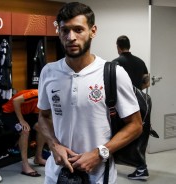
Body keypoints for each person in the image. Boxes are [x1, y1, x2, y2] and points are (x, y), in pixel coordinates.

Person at [37, 2, 143, 184]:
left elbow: (135, 125)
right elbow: (43, 117)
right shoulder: (49, 71)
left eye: (78, 30)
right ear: (59, 32)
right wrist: (54, 145)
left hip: (99, 176)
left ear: (93, 31)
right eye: (65, 30)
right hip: (55, 175)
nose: (71, 37)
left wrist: (99, 153)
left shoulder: (113, 73)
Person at [112, 35, 150, 180]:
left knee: (120, 133)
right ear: (129, 45)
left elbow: (111, 85)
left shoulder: (115, 63)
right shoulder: (140, 61)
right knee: (140, 136)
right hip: (140, 102)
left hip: (122, 105)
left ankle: (140, 167)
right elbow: (146, 83)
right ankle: (140, 167)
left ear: (118, 47)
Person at [1, 89, 46, 177]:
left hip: (27, 113)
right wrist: (21, 120)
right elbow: (15, 101)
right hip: (10, 113)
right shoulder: (36, 94)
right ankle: (25, 165)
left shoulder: (49, 99)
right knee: (24, 131)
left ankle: (38, 158)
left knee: (43, 128)